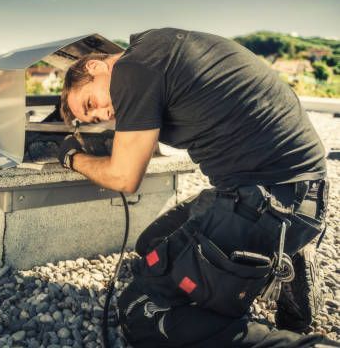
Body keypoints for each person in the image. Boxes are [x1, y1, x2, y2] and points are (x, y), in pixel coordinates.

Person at [57, 28, 337, 347]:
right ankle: (284, 254)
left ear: (94, 66)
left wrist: (71, 157)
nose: (104, 114)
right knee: (152, 243)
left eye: (91, 102)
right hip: (297, 186)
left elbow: (124, 178)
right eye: (93, 117)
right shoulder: (155, 48)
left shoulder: (130, 70)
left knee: (139, 312)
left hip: (273, 200)